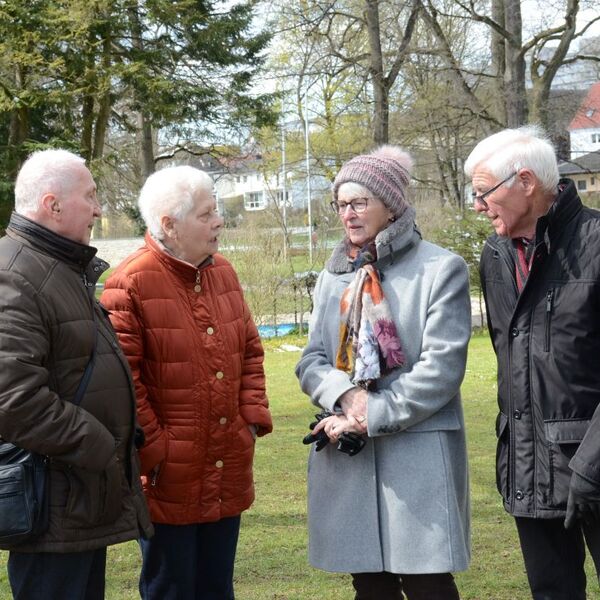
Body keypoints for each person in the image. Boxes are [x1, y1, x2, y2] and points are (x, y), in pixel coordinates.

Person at [295, 145, 472, 600]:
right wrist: (346, 399)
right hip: (349, 452)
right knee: (369, 584)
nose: (347, 214)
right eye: (341, 205)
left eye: (359, 202)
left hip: (417, 452)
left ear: (391, 204)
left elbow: (441, 370)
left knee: (428, 581)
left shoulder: (441, 268)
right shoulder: (332, 276)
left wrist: (369, 412)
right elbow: (312, 359)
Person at [100, 165, 273, 600]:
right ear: (169, 225)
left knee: (217, 587)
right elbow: (124, 382)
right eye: (206, 214)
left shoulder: (224, 273)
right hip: (166, 476)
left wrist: (248, 419)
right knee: (171, 589)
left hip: (225, 462)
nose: (219, 222)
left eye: (216, 212)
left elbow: (251, 350)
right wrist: (156, 449)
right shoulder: (128, 284)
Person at [0, 149, 153, 599]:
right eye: (90, 196)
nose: (98, 208)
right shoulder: (15, 274)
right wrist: (99, 444)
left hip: (78, 496)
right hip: (52, 501)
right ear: (53, 204)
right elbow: (12, 398)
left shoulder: (57, 268)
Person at [465, 125, 600, 600]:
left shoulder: (596, 242)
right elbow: (511, 358)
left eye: (483, 193)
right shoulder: (496, 255)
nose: (477, 205)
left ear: (525, 182)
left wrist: (591, 464)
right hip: (530, 462)